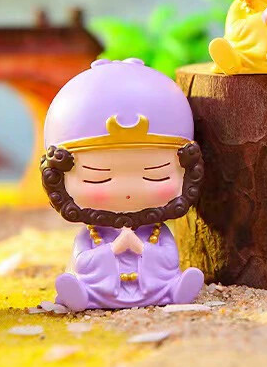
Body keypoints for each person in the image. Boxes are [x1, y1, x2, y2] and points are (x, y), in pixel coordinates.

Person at [41, 59, 205, 310]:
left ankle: (174, 290)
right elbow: (82, 261)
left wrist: (140, 247)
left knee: (170, 278)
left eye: (156, 175)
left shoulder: (157, 231)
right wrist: (114, 248)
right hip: (100, 287)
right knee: (82, 280)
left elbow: (169, 259)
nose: (128, 191)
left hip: (155, 284)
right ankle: (81, 295)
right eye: (98, 177)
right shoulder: (91, 234)